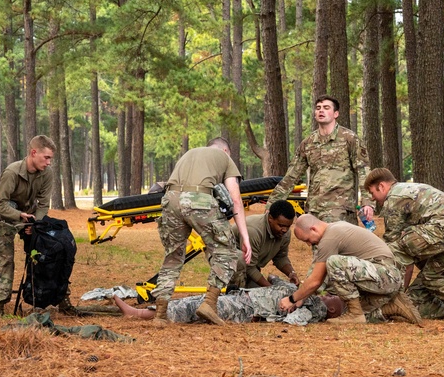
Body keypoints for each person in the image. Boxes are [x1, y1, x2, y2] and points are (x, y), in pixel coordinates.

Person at [364, 168, 444, 325]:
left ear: (382, 186)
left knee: (393, 248)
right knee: (433, 278)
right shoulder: (411, 188)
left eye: (372, 193)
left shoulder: (394, 197)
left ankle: (392, 296)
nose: (373, 198)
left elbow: (392, 247)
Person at [152, 137, 252, 326]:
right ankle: (209, 304)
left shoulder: (189, 154)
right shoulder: (224, 158)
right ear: (225, 151)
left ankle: (160, 314)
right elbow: (235, 199)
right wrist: (245, 238)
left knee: (173, 256)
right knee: (227, 252)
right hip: (199, 200)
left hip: (170, 200)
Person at [279, 214, 422, 325]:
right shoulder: (335, 228)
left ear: (313, 229)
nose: (309, 244)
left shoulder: (329, 238)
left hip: (386, 275)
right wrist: (302, 297)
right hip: (383, 276)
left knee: (334, 263)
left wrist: (292, 299)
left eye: (307, 240)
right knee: (345, 311)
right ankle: (391, 307)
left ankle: (355, 314)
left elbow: (316, 280)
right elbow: (317, 276)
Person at [265, 95, 373, 226]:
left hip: (341, 210)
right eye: (318, 108)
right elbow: (291, 177)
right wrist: (271, 205)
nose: (321, 110)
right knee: (319, 246)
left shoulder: (350, 139)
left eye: (326, 108)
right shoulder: (308, 143)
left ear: (336, 114)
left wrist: (368, 203)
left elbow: (364, 172)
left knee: (341, 245)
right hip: (315, 210)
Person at [0, 135, 56, 316]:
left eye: (51, 158)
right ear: (34, 153)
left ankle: (56, 297)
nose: (49, 163)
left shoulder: (46, 174)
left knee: (49, 250)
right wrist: (20, 217)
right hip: (5, 216)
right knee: (6, 258)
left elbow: (43, 205)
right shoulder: (12, 172)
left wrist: (36, 226)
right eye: (46, 157)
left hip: (29, 216)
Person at [112, 281, 345, 325]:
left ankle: (138, 315)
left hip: (247, 309)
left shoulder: (312, 310)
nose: (324, 295)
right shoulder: (310, 296)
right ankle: (148, 310)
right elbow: (278, 282)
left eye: (329, 297)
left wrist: (296, 305)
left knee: (193, 308)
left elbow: (292, 322)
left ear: (331, 308)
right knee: (197, 300)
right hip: (244, 297)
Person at [230, 200, 300, 288]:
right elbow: (249, 266)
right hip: (228, 264)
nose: (285, 230)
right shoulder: (253, 231)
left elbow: (281, 257)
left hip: (250, 266)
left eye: (288, 226)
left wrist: (291, 273)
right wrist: (270, 288)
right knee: (240, 260)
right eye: (281, 225)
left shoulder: (285, 233)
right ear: (270, 218)